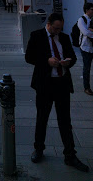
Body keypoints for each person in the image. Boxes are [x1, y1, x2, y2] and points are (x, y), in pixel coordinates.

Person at [25, 12, 89, 172]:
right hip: (45, 85)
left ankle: (70, 155)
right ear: (49, 24)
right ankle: (38, 149)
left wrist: (68, 62)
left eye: (60, 28)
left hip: (62, 84)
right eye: (55, 28)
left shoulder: (65, 37)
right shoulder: (36, 36)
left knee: (65, 121)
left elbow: (73, 57)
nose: (58, 31)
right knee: (42, 118)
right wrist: (47, 61)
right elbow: (29, 57)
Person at [77, 2, 93, 96]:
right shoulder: (81, 20)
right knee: (86, 68)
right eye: (92, 9)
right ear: (87, 10)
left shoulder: (91, 20)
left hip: (92, 46)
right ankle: (86, 87)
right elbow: (85, 32)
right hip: (86, 47)